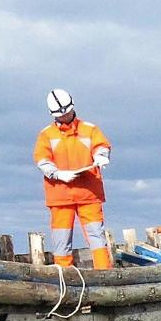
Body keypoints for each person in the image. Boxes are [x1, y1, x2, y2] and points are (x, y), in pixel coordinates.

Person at [33, 89, 114, 269]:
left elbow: (101, 145)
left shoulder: (90, 129)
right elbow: (42, 160)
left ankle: (104, 276)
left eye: (67, 112)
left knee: (97, 239)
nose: (64, 116)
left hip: (88, 193)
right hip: (60, 196)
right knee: (62, 242)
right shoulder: (46, 135)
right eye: (60, 115)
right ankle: (65, 278)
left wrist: (101, 156)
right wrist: (58, 174)